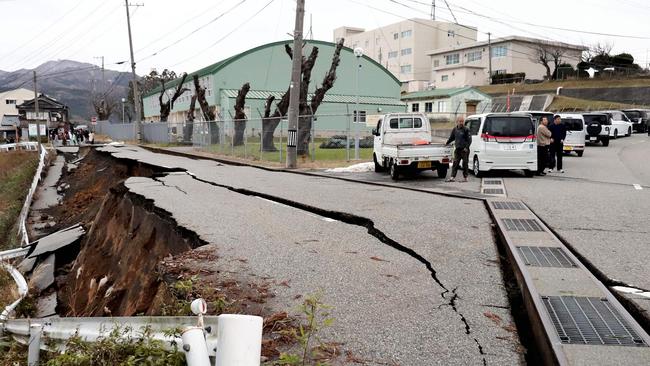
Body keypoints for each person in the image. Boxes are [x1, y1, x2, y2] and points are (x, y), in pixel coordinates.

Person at [445, 116, 472, 182]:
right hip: (457, 150)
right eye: (460, 121)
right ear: (457, 122)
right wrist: (446, 143)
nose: (461, 123)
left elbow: (469, 140)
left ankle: (465, 178)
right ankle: (452, 177)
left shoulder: (466, 129)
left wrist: (466, 148)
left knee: (465, 164)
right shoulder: (455, 129)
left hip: (464, 150)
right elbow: (451, 138)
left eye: (462, 121)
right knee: (455, 163)